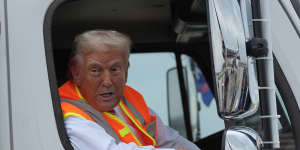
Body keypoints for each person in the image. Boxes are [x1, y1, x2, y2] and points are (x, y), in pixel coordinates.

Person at [58, 29, 201, 150]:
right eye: (95, 71)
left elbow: (172, 140)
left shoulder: (130, 101)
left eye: (115, 69)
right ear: (76, 73)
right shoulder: (70, 116)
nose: (107, 81)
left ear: (126, 71)